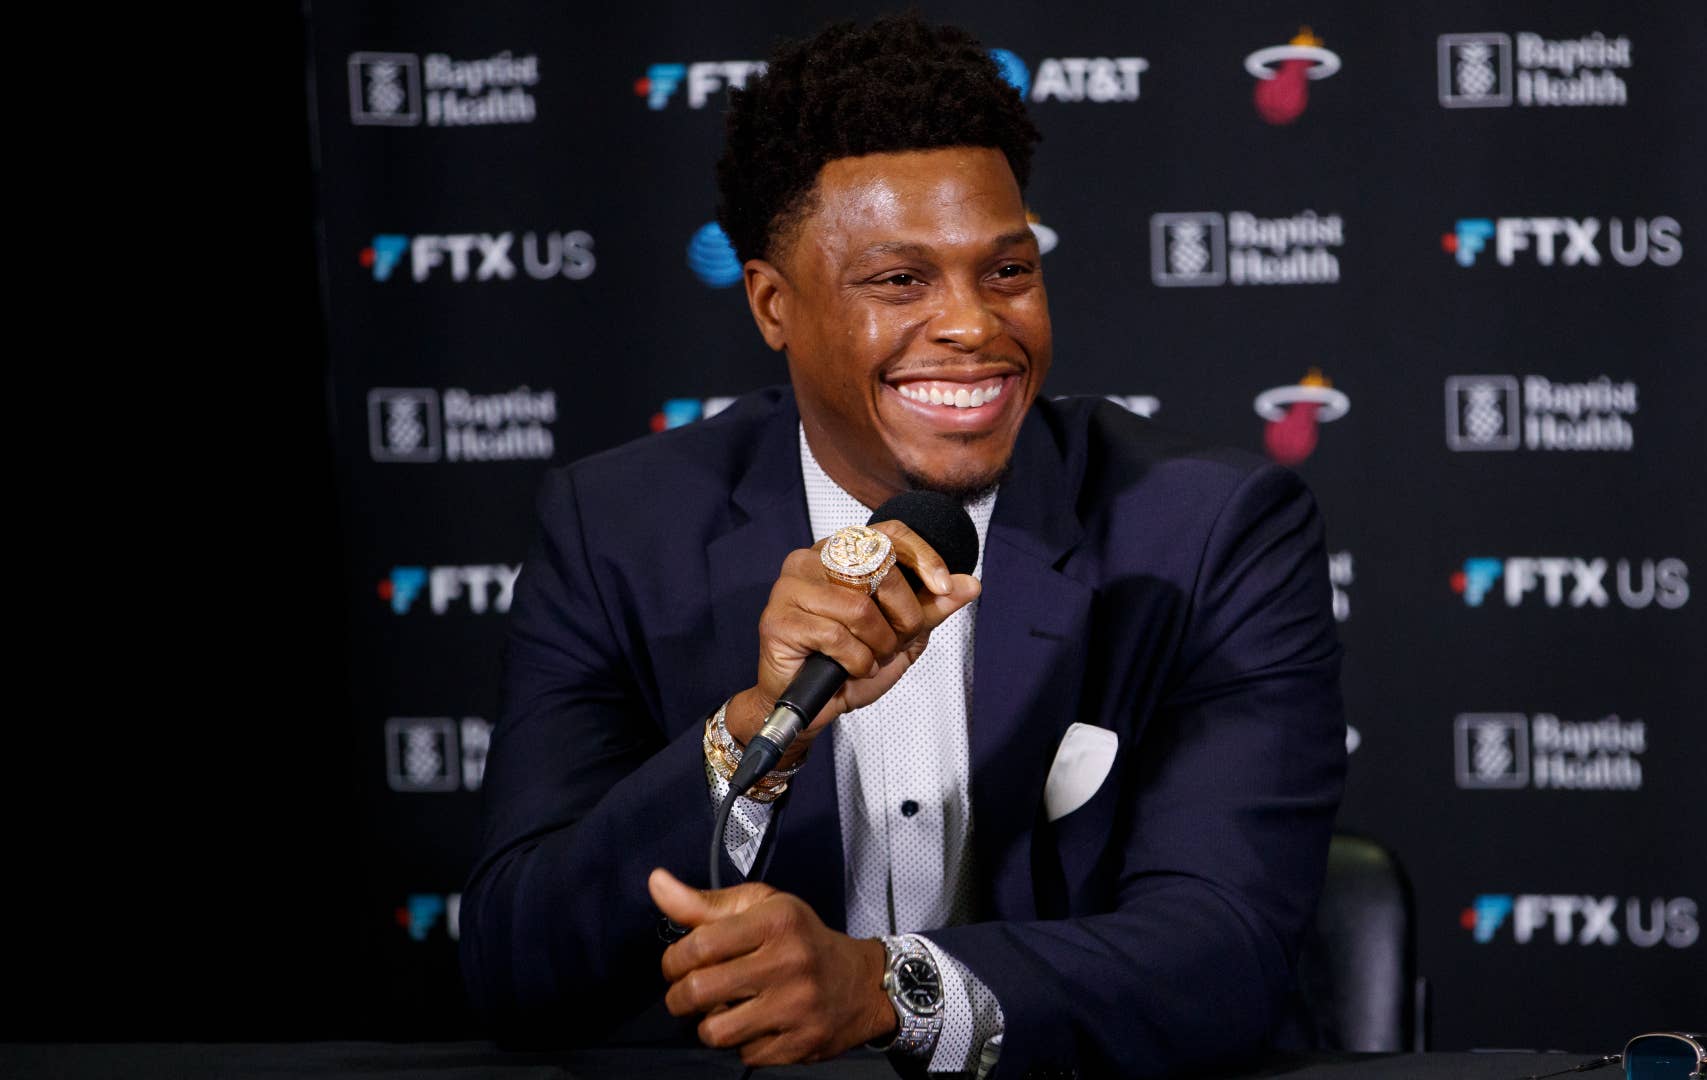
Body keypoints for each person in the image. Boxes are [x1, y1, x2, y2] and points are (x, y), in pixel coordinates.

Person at [461, 15, 1346, 1078]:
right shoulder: (617, 530)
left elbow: (1227, 953)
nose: (974, 324)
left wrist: (887, 989)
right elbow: (516, 965)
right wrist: (750, 739)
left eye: (1007, 269)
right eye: (900, 281)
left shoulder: (1210, 531)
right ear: (773, 304)